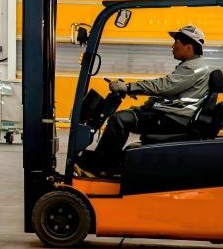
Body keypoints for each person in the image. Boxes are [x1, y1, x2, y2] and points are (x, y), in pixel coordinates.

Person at [77, 24, 211, 177]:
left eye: (176, 43)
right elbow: (172, 91)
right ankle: (107, 164)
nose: (172, 47)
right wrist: (145, 99)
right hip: (174, 117)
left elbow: (164, 85)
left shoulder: (193, 68)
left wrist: (128, 87)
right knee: (131, 113)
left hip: (173, 121)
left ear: (189, 46)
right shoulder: (195, 66)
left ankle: (102, 168)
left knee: (119, 119)